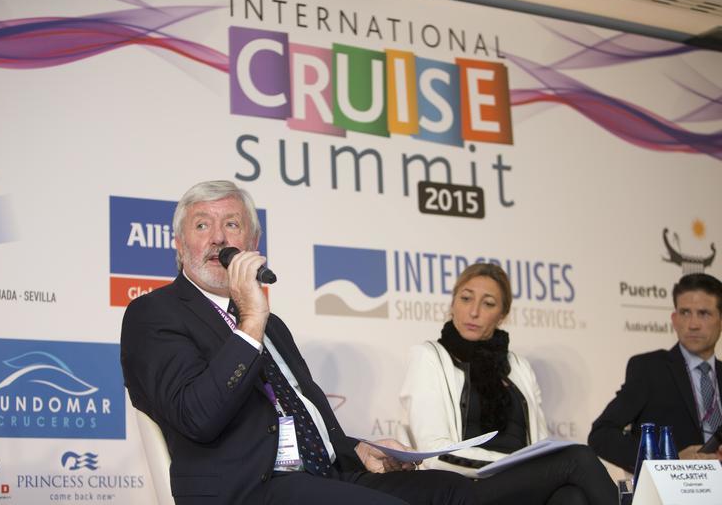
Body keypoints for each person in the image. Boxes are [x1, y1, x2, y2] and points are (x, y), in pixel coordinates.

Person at [120, 180, 476, 505]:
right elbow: (197, 417)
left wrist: (358, 451)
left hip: (323, 477)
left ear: (253, 244)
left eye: (231, 224)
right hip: (247, 490)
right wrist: (251, 321)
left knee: (455, 491)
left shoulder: (272, 325)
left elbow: (299, 414)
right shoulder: (154, 314)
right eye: (201, 226)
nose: (218, 238)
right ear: (179, 245)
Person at [399, 263, 617, 505]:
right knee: (578, 457)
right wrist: (514, 463)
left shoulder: (519, 366)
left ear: (502, 315)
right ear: (453, 304)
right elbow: (434, 454)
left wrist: (529, 467)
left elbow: (540, 443)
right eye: (466, 298)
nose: (474, 311)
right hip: (462, 488)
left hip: (518, 487)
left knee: (572, 497)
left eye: (488, 303)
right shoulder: (428, 356)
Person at [588, 273, 722, 473]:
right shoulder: (650, 369)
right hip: (674, 489)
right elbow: (601, 435)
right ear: (674, 319)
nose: (693, 324)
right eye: (685, 313)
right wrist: (669, 460)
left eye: (703, 314)